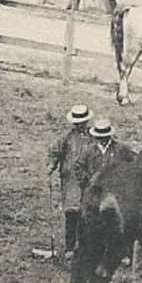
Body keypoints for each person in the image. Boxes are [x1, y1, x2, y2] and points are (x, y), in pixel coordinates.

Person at [47, 105, 93, 259]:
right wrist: (51, 165)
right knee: (72, 213)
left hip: (89, 180)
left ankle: (86, 245)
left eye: (83, 122)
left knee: (87, 213)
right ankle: (70, 247)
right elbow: (55, 152)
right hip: (71, 180)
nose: (80, 125)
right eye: (77, 123)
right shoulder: (67, 137)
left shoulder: (93, 137)